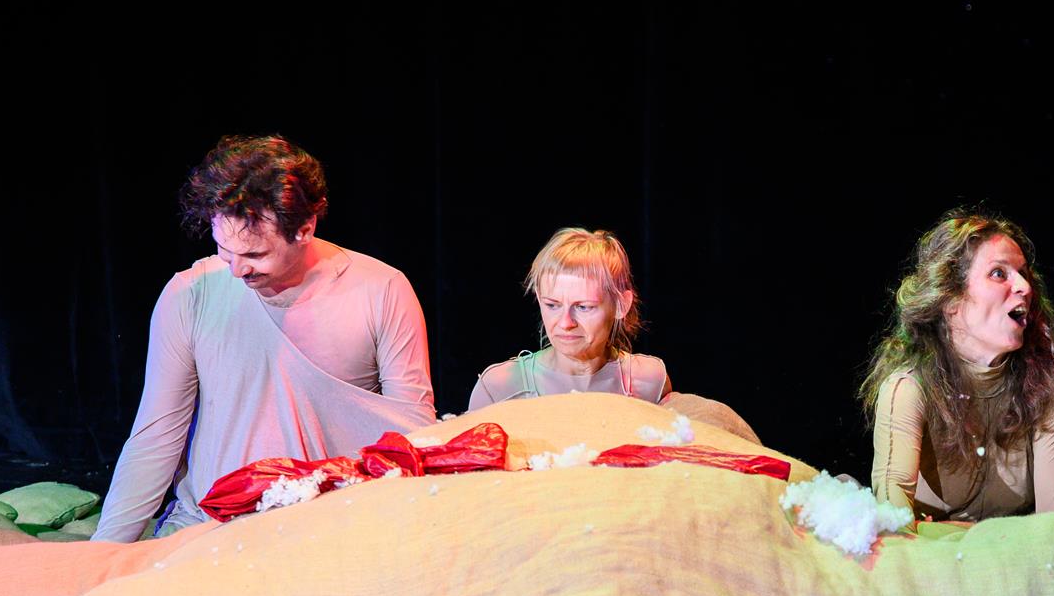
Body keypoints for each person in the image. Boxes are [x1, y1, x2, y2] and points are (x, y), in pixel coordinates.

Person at [92, 136, 436, 542]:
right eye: (224, 249)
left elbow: (413, 438)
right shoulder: (191, 293)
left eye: (255, 255)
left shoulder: (381, 291)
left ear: (304, 229)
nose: (237, 270)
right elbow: (156, 437)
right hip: (206, 528)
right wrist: (105, 552)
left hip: (335, 531)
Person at [863, 209, 1054, 522]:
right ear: (950, 301)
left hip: (1012, 546)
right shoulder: (908, 389)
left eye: (1023, 273)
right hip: (931, 548)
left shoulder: (1048, 385)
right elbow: (893, 525)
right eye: (999, 274)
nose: (1024, 286)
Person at [466, 228, 670, 409]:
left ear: (621, 305)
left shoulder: (649, 381)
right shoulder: (499, 388)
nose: (565, 323)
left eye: (583, 307)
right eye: (552, 305)